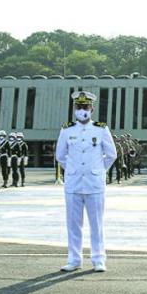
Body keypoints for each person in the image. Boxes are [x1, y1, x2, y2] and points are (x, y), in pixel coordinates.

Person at [56, 91, 117, 272]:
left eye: (86, 107)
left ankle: (98, 259)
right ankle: (74, 259)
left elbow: (111, 154)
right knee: (73, 224)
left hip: (94, 184)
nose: (82, 110)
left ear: (92, 109)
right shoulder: (67, 130)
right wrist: (74, 170)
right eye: (79, 107)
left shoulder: (101, 129)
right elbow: (60, 155)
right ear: (74, 109)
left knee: (96, 224)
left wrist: (98, 170)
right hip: (74, 184)